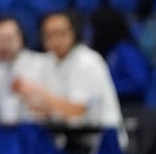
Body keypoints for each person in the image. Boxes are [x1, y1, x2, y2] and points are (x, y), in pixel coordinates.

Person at [14, 11, 125, 146]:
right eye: (49, 35)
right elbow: (43, 108)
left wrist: (41, 93)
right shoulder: (49, 62)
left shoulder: (87, 61)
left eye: (61, 33)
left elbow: (76, 111)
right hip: (69, 139)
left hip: (101, 140)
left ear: (73, 33)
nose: (55, 39)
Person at [0, 16, 48, 124]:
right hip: (1, 131)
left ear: (21, 37)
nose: (3, 45)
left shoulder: (42, 63)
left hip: (35, 129)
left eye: (8, 39)